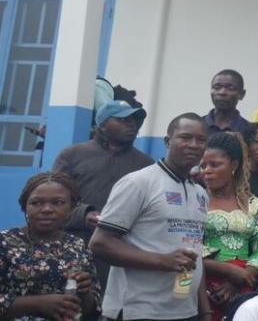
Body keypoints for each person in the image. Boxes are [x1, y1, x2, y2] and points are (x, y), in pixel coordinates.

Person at [90, 113, 212, 321]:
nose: (193, 145)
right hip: (137, 311)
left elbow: (194, 255)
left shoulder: (200, 193)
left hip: (184, 312)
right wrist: (162, 261)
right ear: (167, 141)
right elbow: (100, 243)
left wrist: (204, 309)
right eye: (185, 137)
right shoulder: (138, 183)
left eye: (201, 140)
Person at [53, 99, 153, 286]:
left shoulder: (145, 165)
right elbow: (54, 200)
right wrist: (84, 215)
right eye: (123, 120)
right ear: (103, 125)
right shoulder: (72, 155)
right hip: (73, 247)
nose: (132, 124)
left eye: (135, 120)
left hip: (121, 252)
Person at [0, 172, 101, 321]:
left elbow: (91, 311)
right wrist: (37, 304)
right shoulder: (5, 242)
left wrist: (84, 292)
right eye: (36, 203)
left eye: (58, 202)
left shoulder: (78, 246)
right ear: (24, 206)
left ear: (72, 207)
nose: (47, 209)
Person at [202, 132, 258, 321]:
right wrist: (228, 271)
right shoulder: (194, 202)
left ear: (234, 165)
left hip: (244, 287)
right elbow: (187, 245)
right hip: (202, 286)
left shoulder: (256, 206)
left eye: (215, 165)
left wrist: (239, 279)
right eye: (203, 165)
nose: (206, 171)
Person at [206, 70, 252, 137]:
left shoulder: (250, 131)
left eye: (230, 88)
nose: (222, 92)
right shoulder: (197, 126)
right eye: (217, 87)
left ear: (242, 94)